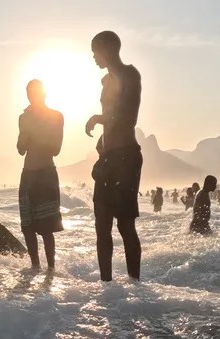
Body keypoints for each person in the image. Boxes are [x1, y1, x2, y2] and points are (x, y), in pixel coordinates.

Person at [86, 30, 143, 281]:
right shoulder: (105, 82)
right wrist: (103, 139)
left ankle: (135, 285)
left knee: (125, 225)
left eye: (95, 51)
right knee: (101, 225)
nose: (93, 57)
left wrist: (100, 119)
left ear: (109, 49)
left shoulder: (129, 74)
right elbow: (112, 119)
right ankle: (106, 288)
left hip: (126, 158)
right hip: (108, 157)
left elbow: (129, 117)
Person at [17, 80, 64, 271]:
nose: (31, 96)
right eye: (28, 93)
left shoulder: (56, 116)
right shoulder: (23, 117)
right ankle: (35, 267)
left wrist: (36, 126)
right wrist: (27, 128)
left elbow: (55, 149)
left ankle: (51, 270)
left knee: (46, 227)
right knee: (27, 225)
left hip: (46, 173)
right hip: (28, 173)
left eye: (34, 93)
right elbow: (20, 149)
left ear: (44, 94)